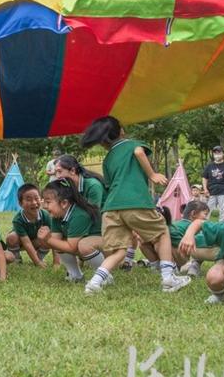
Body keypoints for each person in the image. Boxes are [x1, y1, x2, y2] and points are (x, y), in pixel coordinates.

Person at [80, 116, 191, 294]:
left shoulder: (108, 159)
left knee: (118, 251)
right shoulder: (132, 144)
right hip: (135, 201)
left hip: (111, 208)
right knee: (162, 232)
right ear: (121, 131)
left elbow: (108, 184)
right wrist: (152, 174)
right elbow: (139, 152)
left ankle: (94, 282)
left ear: (102, 141)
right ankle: (168, 278)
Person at [39, 179, 106, 283]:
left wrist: (48, 239)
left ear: (64, 203)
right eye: (44, 201)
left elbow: (72, 247)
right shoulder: (57, 216)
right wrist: (45, 238)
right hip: (94, 246)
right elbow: (55, 242)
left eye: (48, 202)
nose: (44, 206)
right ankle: (75, 275)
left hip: (110, 245)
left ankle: (104, 276)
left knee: (84, 245)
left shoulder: (79, 215)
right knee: (59, 243)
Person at [5, 184, 54, 268]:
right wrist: (37, 263)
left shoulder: (46, 215)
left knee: (49, 237)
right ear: (20, 203)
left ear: (41, 200)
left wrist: (56, 262)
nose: (34, 202)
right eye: (29, 199)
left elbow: (54, 238)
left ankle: (39, 257)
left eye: (36, 198)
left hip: (37, 241)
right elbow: (27, 243)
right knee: (11, 237)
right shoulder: (18, 219)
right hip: (21, 242)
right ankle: (16, 259)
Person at [202, 145, 224, 222]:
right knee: (207, 211)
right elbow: (204, 178)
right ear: (213, 154)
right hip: (211, 191)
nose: (217, 154)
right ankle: (205, 227)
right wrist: (205, 189)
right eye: (215, 153)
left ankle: (221, 229)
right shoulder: (209, 166)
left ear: (223, 154)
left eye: (219, 152)